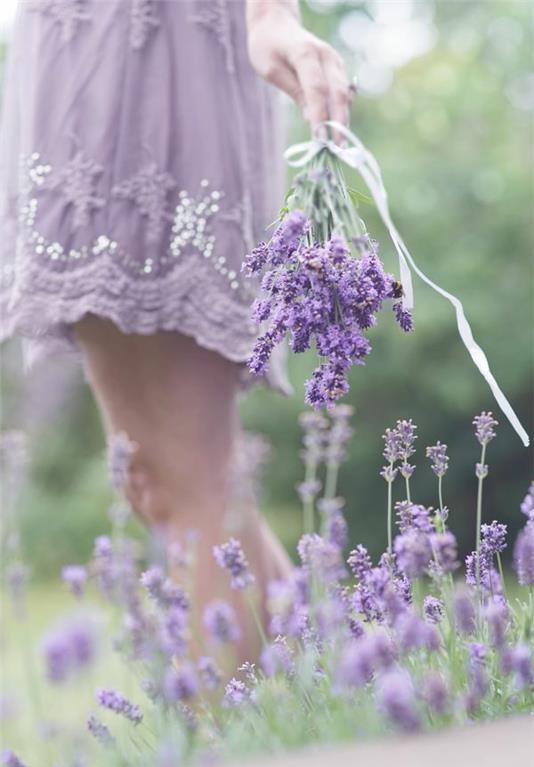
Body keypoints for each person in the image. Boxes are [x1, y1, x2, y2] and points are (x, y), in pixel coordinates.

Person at [0, 0, 352, 660]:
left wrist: (271, 13)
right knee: (160, 477)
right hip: (73, 46)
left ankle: (240, 747)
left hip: (154, 50)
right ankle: (333, 700)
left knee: (184, 480)